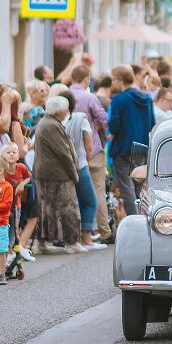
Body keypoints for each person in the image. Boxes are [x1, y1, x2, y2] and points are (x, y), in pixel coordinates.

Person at [34, 95, 83, 252]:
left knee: (46, 208)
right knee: (68, 207)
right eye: (66, 109)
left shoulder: (47, 123)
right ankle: (72, 243)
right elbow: (64, 153)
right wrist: (74, 173)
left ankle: (41, 242)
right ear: (59, 111)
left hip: (46, 173)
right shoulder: (51, 125)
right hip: (57, 174)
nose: (68, 111)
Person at [67, 65, 110, 242]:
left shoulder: (64, 94)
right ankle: (103, 230)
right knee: (98, 189)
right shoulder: (89, 96)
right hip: (91, 147)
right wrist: (98, 126)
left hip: (70, 149)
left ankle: (78, 232)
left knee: (75, 192)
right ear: (86, 79)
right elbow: (104, 119)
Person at [108, 65, 155, 221]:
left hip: (122, 147)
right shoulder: (146, 98)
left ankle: (134, 222)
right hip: (141, 147)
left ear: (120, 80)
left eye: (113, 79)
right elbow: (152, 123)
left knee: (126, 188)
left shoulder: (118, 99)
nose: (112, 82)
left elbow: (114, 125)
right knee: (139, 187)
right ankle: (144, 218)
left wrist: (111, 135)